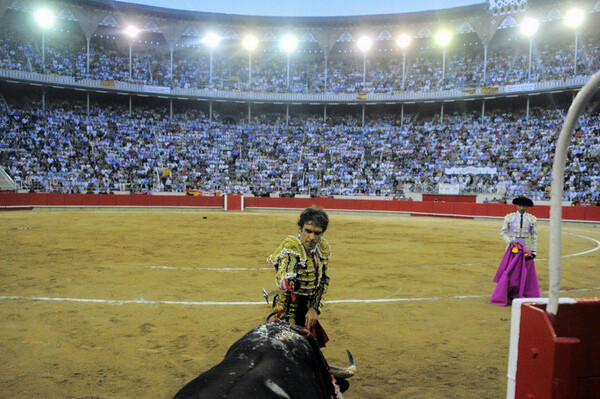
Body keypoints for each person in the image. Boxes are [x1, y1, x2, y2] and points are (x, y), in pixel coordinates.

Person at [267, 206, 331, 329]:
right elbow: (287, 265)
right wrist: (288, 280)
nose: (312, 237)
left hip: (308, 308)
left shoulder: (321, 249)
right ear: (300, 229)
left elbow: (322, 281)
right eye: (308, 231)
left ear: (322, 233)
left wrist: (314, 308)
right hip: (287, 307)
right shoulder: (292, 246)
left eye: (317, 233)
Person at [490, 196, 540, 306]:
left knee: (524, 271)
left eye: (524, 206)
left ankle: (522, 293)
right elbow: (503, 232)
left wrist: (533, 251)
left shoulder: (532, 219)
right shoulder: (509, 217)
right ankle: (507, 294)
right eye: (520, 206)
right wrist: (510, 241)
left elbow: (534, 236)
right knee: (509, 271)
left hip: (525, 248)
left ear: (527, 207)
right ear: (517, 206)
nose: (522, 208)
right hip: (512, 249)